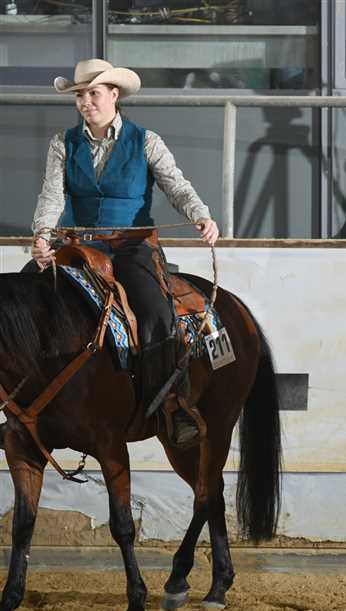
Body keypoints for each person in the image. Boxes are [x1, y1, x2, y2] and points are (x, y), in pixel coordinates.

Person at [29, 58, 220, 448]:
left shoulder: (146, 141)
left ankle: (173, 403)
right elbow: (51, 196)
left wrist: (200, 215)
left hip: (132, 247)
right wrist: (43, 237)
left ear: (114, 94)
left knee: (155, 311)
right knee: (24, 299)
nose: (85, 102)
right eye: (79, 96)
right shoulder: (62, 144)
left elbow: (176, 186)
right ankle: (25, 410)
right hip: (78, 246)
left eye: (93, 93)